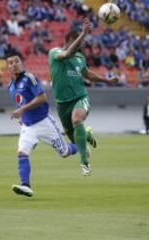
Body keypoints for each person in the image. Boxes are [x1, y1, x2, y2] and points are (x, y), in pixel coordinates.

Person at [48, 18, 119, 176]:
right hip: (62, 104)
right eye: (79, 42)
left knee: (77, 120)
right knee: (75, 140)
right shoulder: (54, 53)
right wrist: (83, 34)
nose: (81, 46)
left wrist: (106, 80)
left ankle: (84, 163)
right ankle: (86, 134)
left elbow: (87, 74)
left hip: (80, 97)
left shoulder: (80, 59)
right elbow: (67, 54)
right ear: (71, 40)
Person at [7, 54, 78, 197]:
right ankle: (26, 186)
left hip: (44, 123)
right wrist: (21, 117)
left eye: (17, 61)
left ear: (21, 63)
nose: (15, 64)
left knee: (64, 153)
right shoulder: (11, 86)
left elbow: (42, 98)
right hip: (28, 126)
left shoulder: (29, 78)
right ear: (7, 67)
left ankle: (80, 145)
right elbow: (21, 102)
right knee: (22, 153)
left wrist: (21, 110)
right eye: (11, 63)